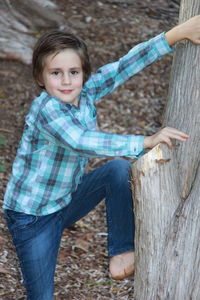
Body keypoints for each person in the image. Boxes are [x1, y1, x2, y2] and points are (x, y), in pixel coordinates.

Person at [3, 15, 200, 300]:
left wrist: (174, 35)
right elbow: (81, 141)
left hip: (63, 201)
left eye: (74, 72)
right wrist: (144, 141)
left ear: (83, 74)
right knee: (42, 295)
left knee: (117, 171)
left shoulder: (85, 93)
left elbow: (123, 67)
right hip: (32, 219)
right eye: (56, 73)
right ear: (40, 78)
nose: (67, 81)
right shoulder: (46, 110)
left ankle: (120, 252)